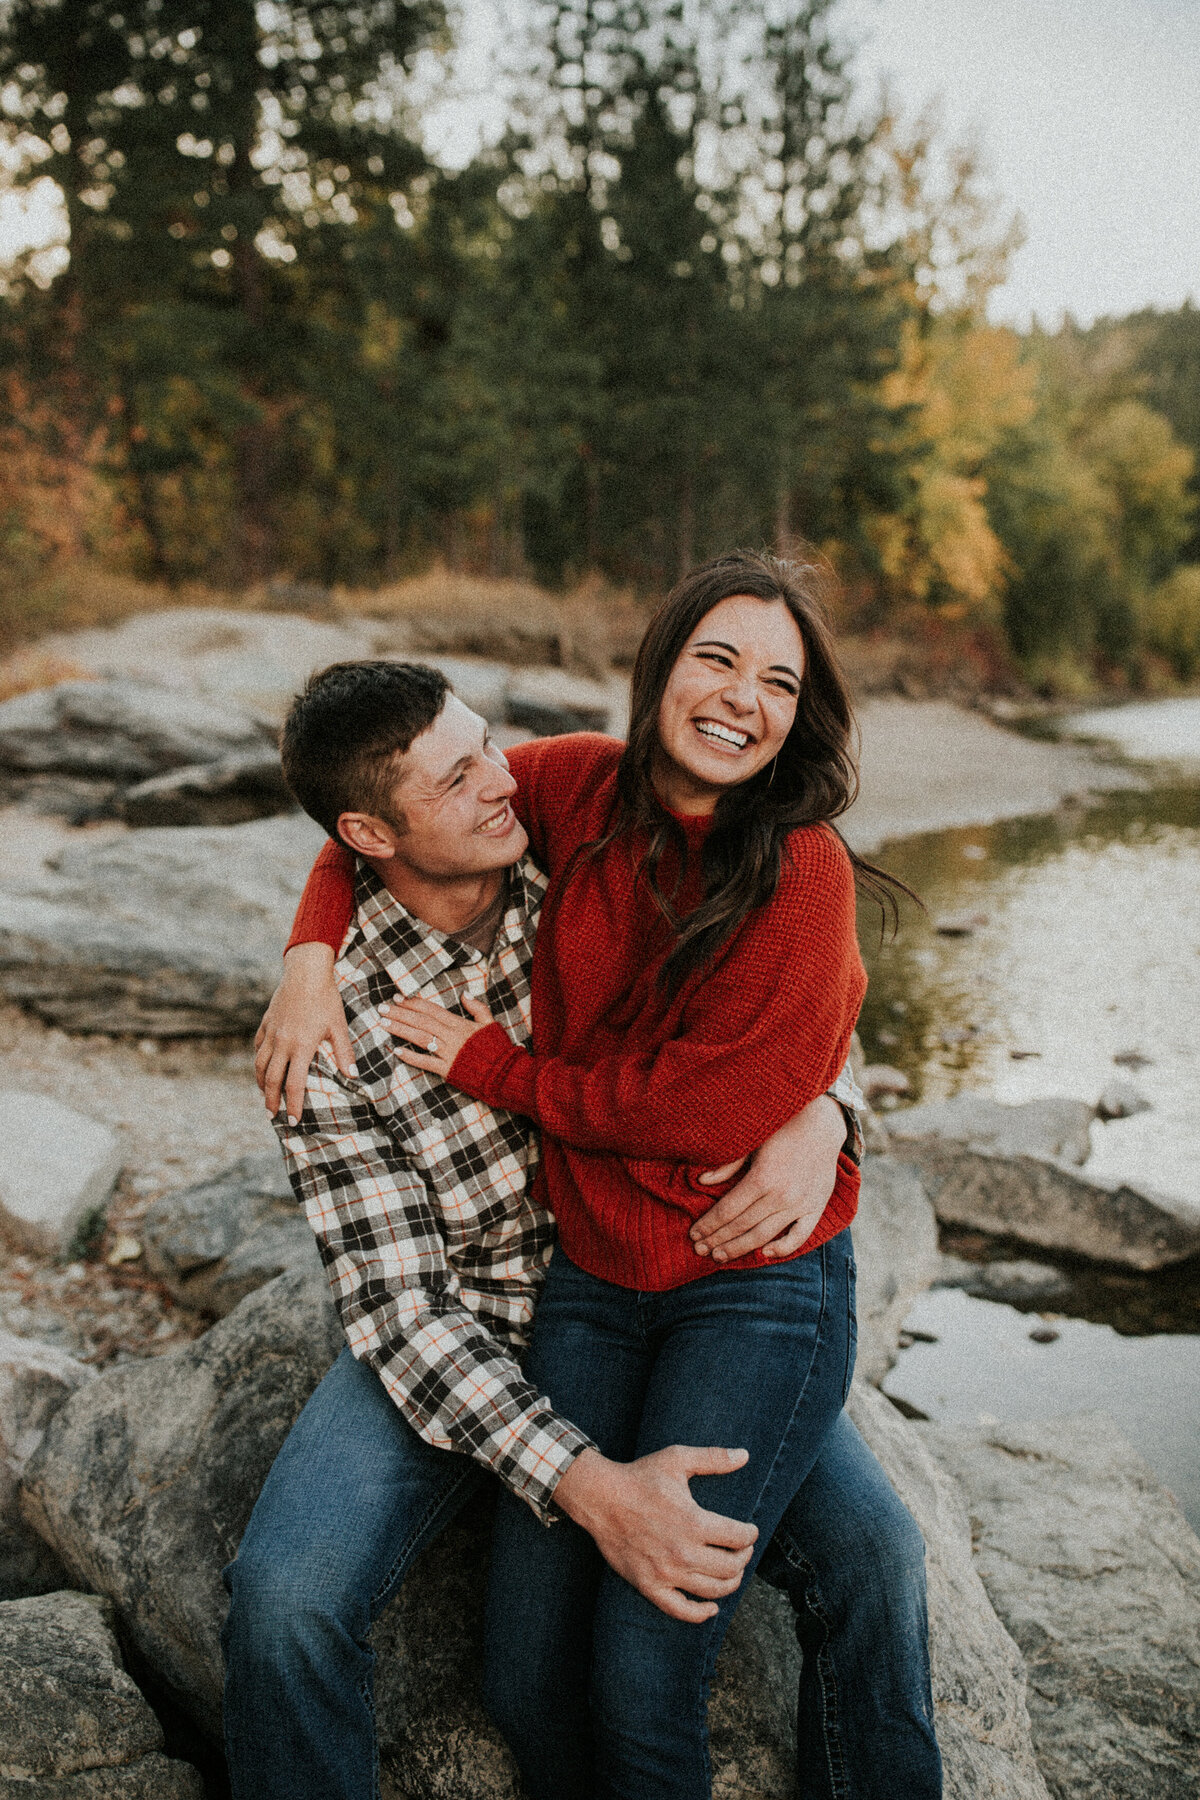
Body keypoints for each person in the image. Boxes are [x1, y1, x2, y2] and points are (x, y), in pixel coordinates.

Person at [257, 550, 942, 1800]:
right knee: (316, 1608)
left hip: (699, 1285)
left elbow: (746, 1051)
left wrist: (824, 1115)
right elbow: (404, 1317)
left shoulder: (593, 837)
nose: (495, 778)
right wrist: (310, 953)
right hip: (513, 1314)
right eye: (716, 660)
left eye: (777, 679)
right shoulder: (353, 1007)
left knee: (879, 1560)